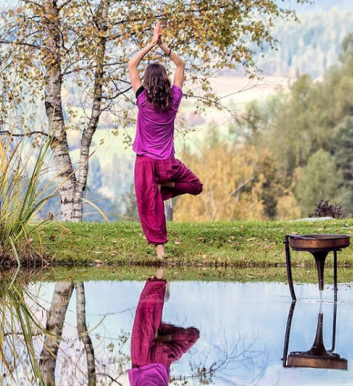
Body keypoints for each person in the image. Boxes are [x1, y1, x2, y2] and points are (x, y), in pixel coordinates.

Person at [127, 22, 203, 261]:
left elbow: (131, 65)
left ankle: (160, 251)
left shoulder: (142, 100)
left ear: (148, 83)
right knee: (196, 186)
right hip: (166, 163)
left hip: (145, 164)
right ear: (165, 81)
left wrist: (151, 44)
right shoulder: (174, 100)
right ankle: (161, 193)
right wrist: (164, 47)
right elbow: (181, 64)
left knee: (149, 203)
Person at [130, 267, 200, 386]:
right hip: (146, 362)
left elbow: (193, 335)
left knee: (148, 313)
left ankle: (161, 276)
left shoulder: (170, 354)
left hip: (160, 362)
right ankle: (160, 273)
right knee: (146, 312)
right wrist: (163, 338)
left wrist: (165, 338)